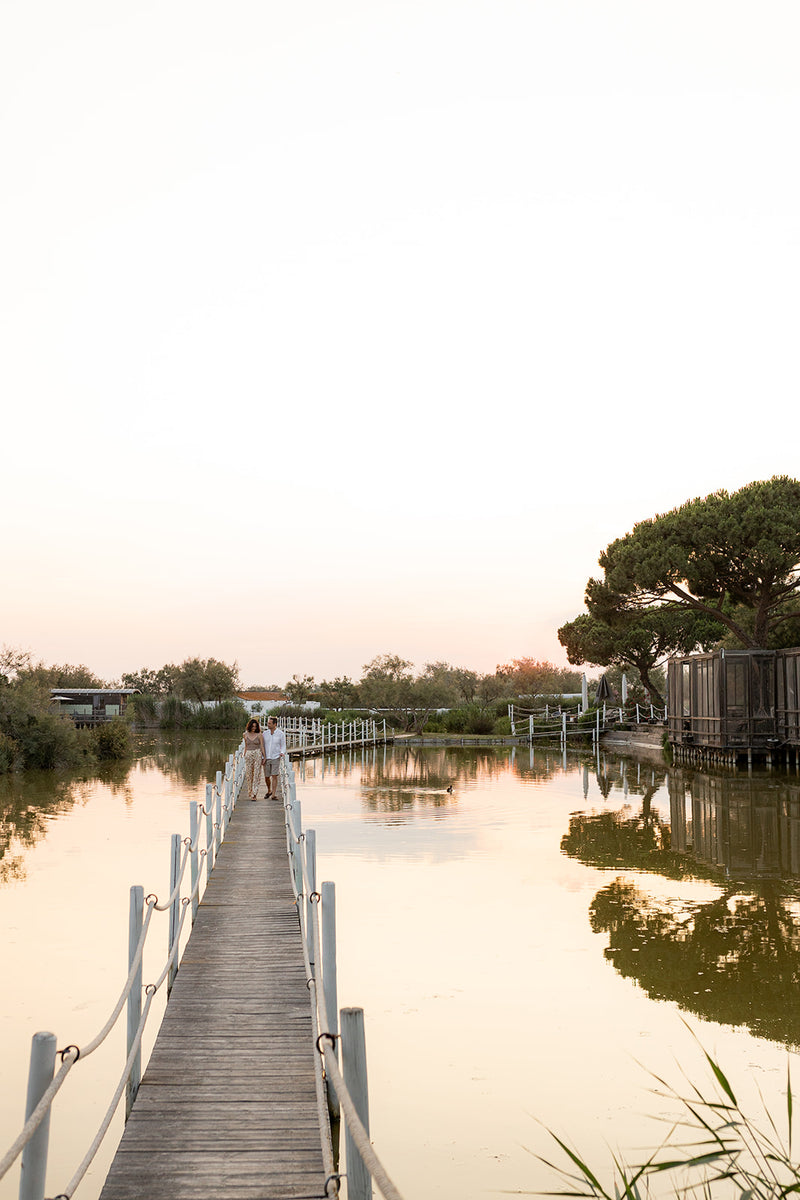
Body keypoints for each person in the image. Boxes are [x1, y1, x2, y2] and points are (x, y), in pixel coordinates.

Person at [262, 715, 286, 800]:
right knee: (266, 776)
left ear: (275, 724)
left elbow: (283, 745)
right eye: (268, 723)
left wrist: (282, 753)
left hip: (276, 757)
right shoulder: (264, 734)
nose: (268, 725)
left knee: (274, 775)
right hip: (266, 757)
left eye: (270, 723)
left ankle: (273, 794)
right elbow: (262, 746)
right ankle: (269, 790)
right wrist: (262, 756)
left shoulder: (280, 734)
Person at [243, 718, 264, 802]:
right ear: (249, 726)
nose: (254, 728)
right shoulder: (245, 734)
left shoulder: (259, 734)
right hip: (248, 754)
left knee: (257, 773)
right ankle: (250, 791)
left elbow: (262, 746)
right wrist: (244, 754)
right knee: (249, 774)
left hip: (257, 753)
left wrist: (264, 757)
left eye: (255, 727)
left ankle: (254, 794)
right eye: (252, 726)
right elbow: (246, 746)